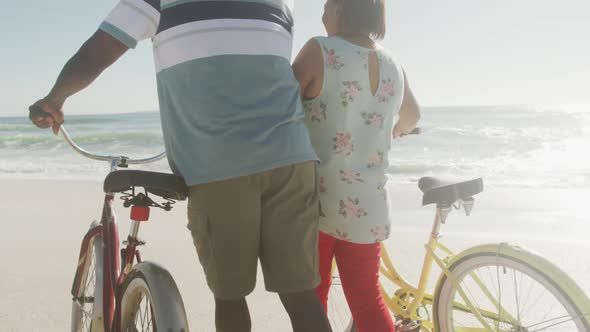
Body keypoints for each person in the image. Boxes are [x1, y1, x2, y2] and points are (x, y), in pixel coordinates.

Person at [28, 1, 332, 331]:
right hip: (293, 159)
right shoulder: (280, 4)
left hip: (220, 166)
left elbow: (97, 53)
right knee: (300, 294)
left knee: (230, 296)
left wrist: (55, 99)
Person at [292, 0, 421, 331]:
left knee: (312, 297)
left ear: (340, 10)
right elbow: (412, 117)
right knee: (367, 299)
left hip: (317, 200)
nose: (321, 14)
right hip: (369, 202)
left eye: (325, 6)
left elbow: (281, 108)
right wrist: (392, 131)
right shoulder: (393, 63)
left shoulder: (319, 50)